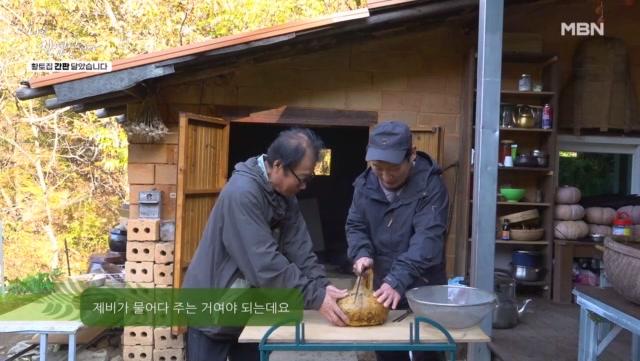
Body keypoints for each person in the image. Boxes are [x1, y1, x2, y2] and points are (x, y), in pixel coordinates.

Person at [183, 128, 348, 361]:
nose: (304, 187)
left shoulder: (284, 194)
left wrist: (322, 284)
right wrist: (314, 297)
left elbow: (299, 246)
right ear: (278, 166)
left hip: (248, 308)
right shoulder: (242, 194)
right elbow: (265, 263)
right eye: (303, 178)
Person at [346, 121, 449, 361]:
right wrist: (361, 253)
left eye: (392, 168)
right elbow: (356, 225)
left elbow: (428, 238)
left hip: (423, 286)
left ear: (411, 155)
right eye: (377, 167)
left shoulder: (430, 185)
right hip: (384, 288)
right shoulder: (364, 185)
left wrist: (398, 278)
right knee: (389, 351)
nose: (385, 176)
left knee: (428, 351)